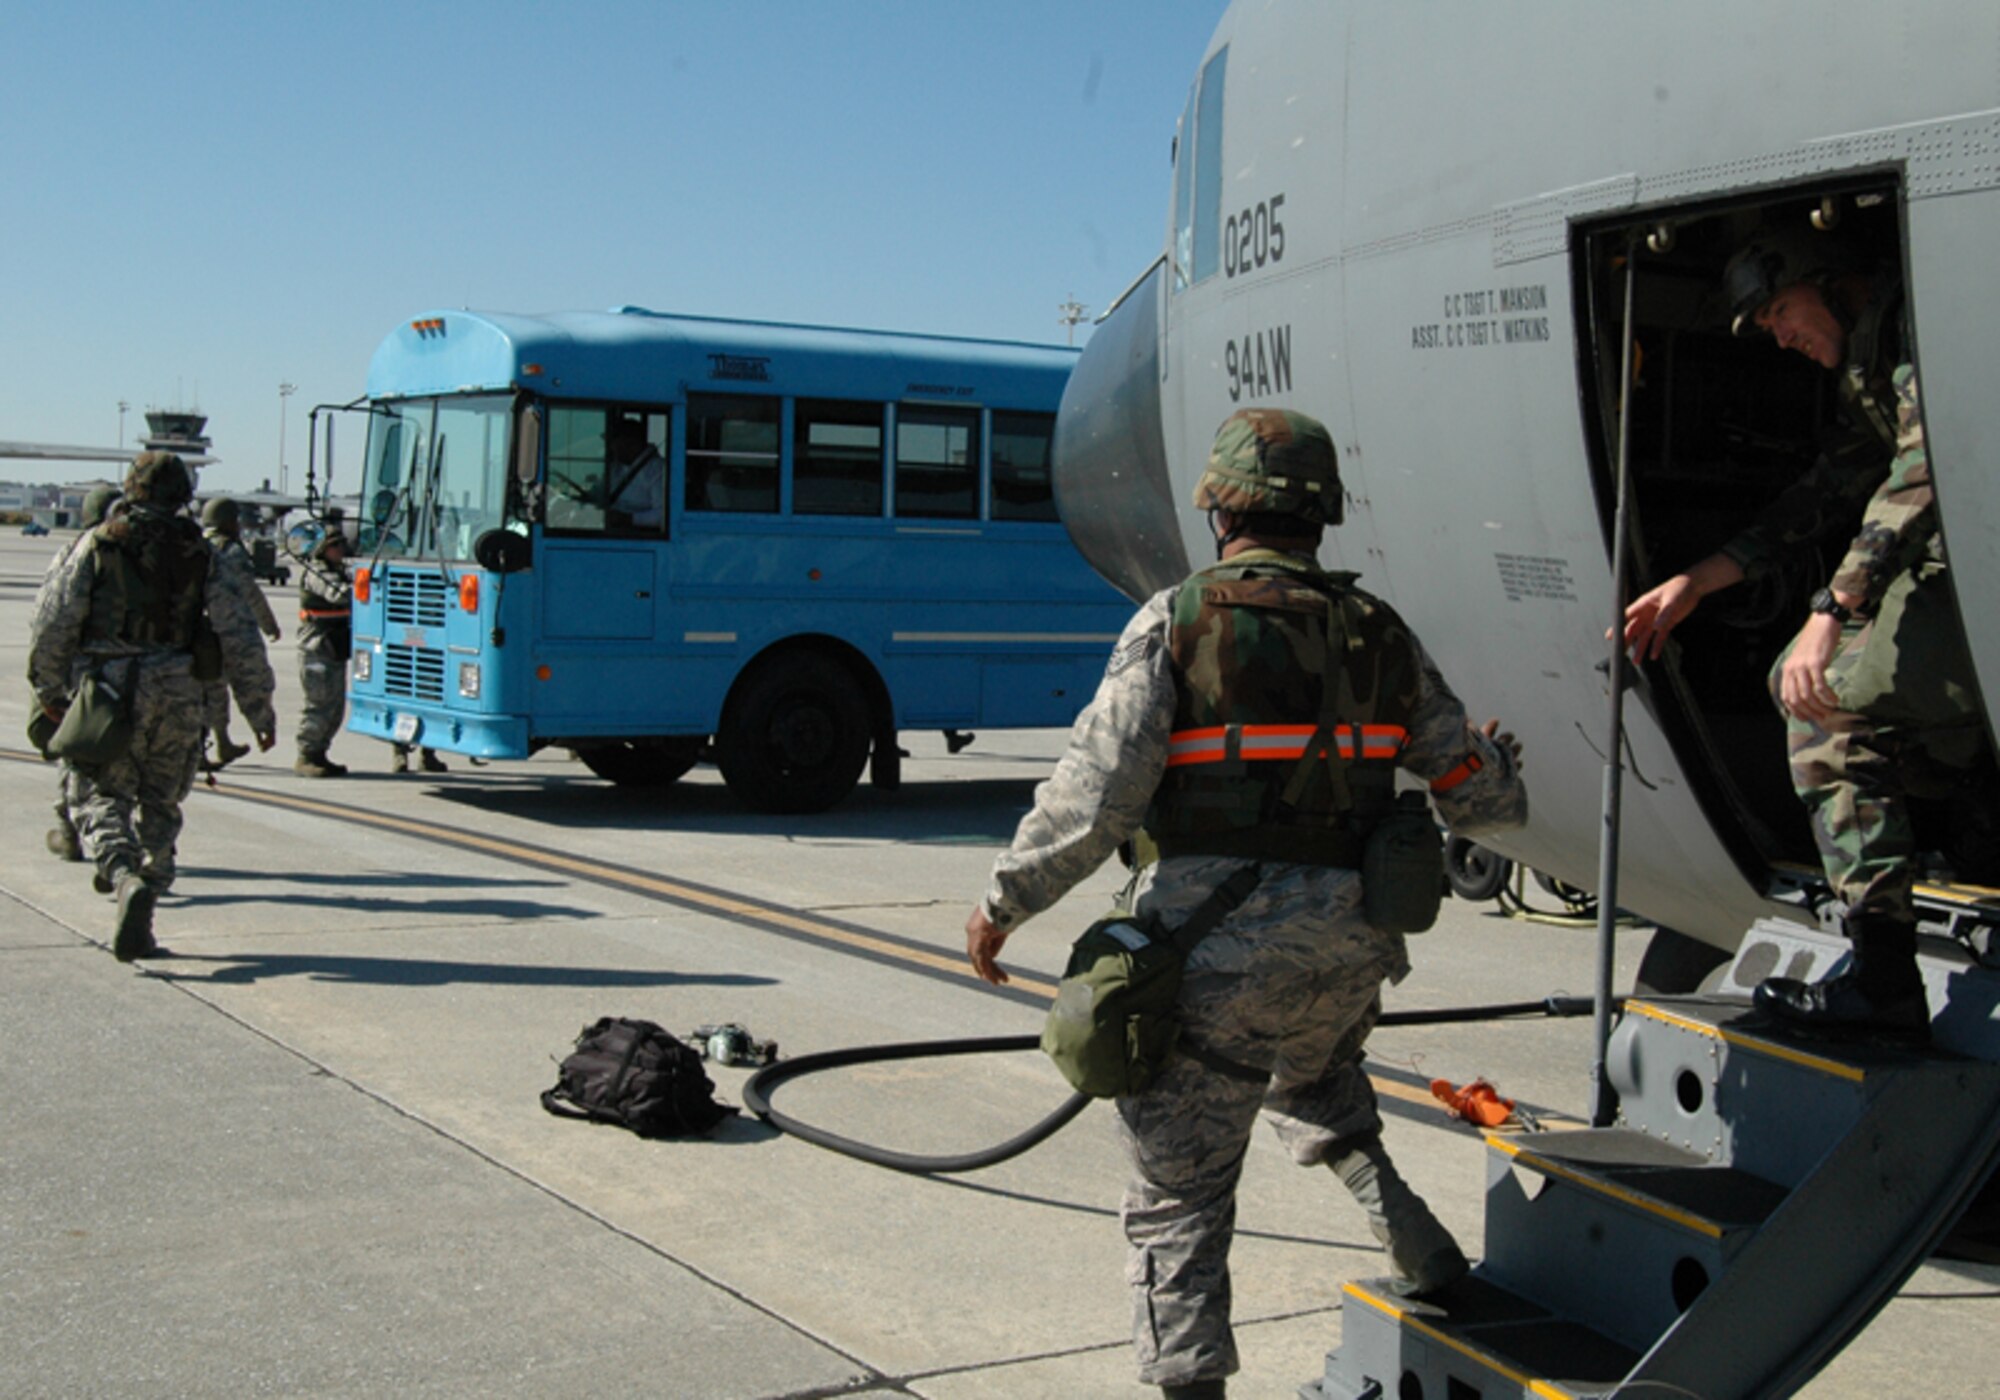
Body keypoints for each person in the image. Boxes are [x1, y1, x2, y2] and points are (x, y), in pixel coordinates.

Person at [963, 409, 1529, 1398]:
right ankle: (1423, 1247)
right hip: (1350, 952)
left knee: (1177, 1195)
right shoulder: (1378, 632)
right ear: (1321, 513)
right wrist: (1488, 756)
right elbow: (1480, 796)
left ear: (1220, 505)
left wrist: (1003, 902)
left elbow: (1095, 795)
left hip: (1213, 963)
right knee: (1312, 1077)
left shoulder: (1175, 620)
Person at [1626, 226, 1987, 1039]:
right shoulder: (1871, 356)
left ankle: (1885, 981)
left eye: (1782, 310)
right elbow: (1828, 487)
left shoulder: (1910, 331)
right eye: (1765, 327)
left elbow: (1921, 473)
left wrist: (1833, 609)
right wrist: (1704, 577)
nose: (1779, 334)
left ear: (1834, 280)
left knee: (1820, 709)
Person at [28, 453, 277, 959]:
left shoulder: (96, 545)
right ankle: (150, 887)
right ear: (183, 495)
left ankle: (122, 876)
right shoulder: (204, 554)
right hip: (180, 689)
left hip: (110, 689)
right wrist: (259, 711)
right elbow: (240, 637)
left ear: (132, 489)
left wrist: (50, 690)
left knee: (97, 793)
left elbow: (53, 620)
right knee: (161, 800)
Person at [41, 484, 121, 864]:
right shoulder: (152, 549)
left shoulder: (80, 550)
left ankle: (72, 832)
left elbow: (51, 616)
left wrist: (45, 681)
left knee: (75, 753)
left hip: (90, 673)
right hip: (154, 672)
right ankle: (151, 846)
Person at [199, 496, 281, 769]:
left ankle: (215, 745)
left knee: (210, 690)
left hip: (202, 632)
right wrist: (269, 625)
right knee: (253, 680)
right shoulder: (231, 552)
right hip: (234, 630)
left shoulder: (195, 546)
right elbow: (251, 593)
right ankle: (260, 731)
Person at [295, 530, 353, 777]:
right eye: (334, 546)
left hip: (334, 647)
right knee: (318, 704)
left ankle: (320, 753)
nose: (339, 550)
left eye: (341, 545)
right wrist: (363, 586)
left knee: (335, 707)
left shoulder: (341, 571)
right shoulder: (318, 572)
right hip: (316, 648)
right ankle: (306, 754)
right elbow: (338, 595)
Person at [603, 416, 665, 529]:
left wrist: (628, 519)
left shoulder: (656, 469)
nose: (612, 448)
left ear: (632, 443)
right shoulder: (616, 467)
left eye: (616, 443)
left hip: (639, 538)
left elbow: (664, 515)